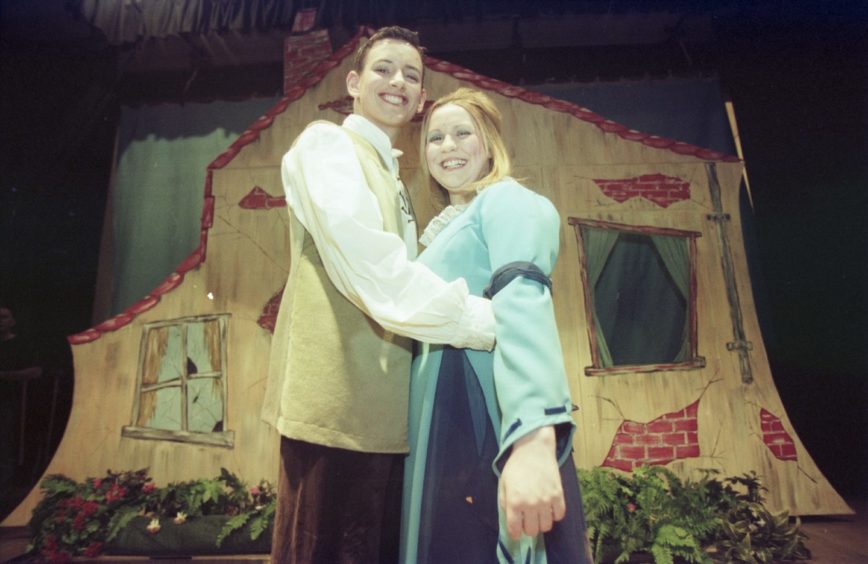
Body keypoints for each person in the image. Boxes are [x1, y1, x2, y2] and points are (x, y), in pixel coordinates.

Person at [261, 28, 496, 563]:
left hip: (386, 422)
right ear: (353, 83)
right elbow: (373, 271)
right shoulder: (327, 145)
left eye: (412, 75)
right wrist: (485, 323)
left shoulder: (395, 181)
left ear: (420, 100)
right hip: (335, 414)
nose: (398, 81)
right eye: (384, 69)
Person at [400, 88, 593, 563]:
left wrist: (533, 437)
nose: (447, 146)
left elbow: (523, 303)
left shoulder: (507, 201)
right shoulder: (443, 230)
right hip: (439, 428)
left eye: (462, 133)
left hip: (483, 420)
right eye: (435, 137)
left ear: (489, 143)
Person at [0, 304, 43, 487]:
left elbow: (36, 371)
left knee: (5, 445)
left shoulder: (21, 344)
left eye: (3, 317)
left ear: (12, 321)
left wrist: (4, 375)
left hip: (8, 401)